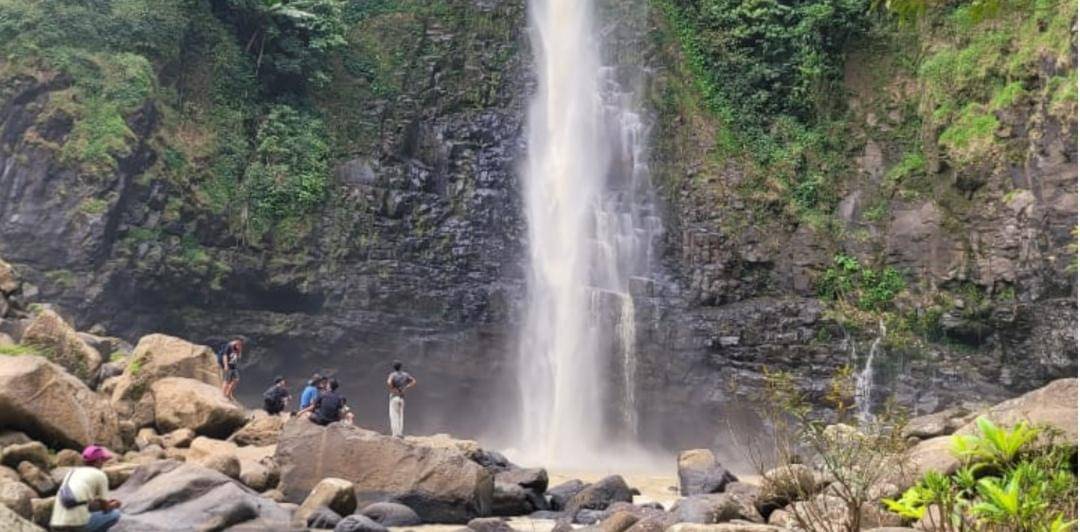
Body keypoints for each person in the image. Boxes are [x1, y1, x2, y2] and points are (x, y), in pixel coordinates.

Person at [50, 445, 122, 532]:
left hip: (56, 523)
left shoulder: (72, 473)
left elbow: (80, 501)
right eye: (102, 460)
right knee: (115, 514)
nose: (103, 463)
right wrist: (115, 504)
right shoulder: (100, 475)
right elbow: (106, 508)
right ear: (98, 461)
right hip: (76, 525)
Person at [386, 360, 416, 437]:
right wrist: (406, 387)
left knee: (394, 415)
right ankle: (400, 433)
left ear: (394, 367)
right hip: (401, 397)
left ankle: (395, 434)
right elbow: (413, 381)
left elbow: (389, 382)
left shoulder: (392, 374)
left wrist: (393, 389)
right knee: (400, 415)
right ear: (401, 367)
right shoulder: (405, 374)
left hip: (394, 396)